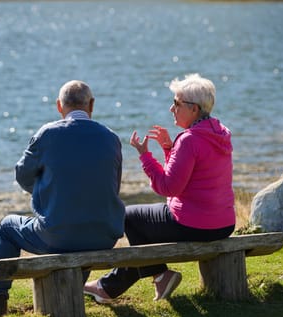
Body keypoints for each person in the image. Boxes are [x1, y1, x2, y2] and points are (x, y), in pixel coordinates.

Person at [0, 80, 126, 317]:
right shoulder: (111, 138)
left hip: (59, 235)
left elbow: (23, 175)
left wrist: (49, 191)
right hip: (104, 235)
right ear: (91, 105)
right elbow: (112, 185)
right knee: (81, 224)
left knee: (8, 226)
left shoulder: (48, 134)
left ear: (60, 106)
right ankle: (73, 290)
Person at [84, 73, 236, 303]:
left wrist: (145, 156)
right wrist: (168, 148)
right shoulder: (218, 132)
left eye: (176, 103)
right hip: (224, 224)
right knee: (143, 226)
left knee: (127, 217)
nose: (171, 108)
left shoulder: (189, 140)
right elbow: (187, 177)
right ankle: (112, 286)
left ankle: (157, 275)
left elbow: (168, 187)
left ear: (194, 109)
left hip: (194, 224)